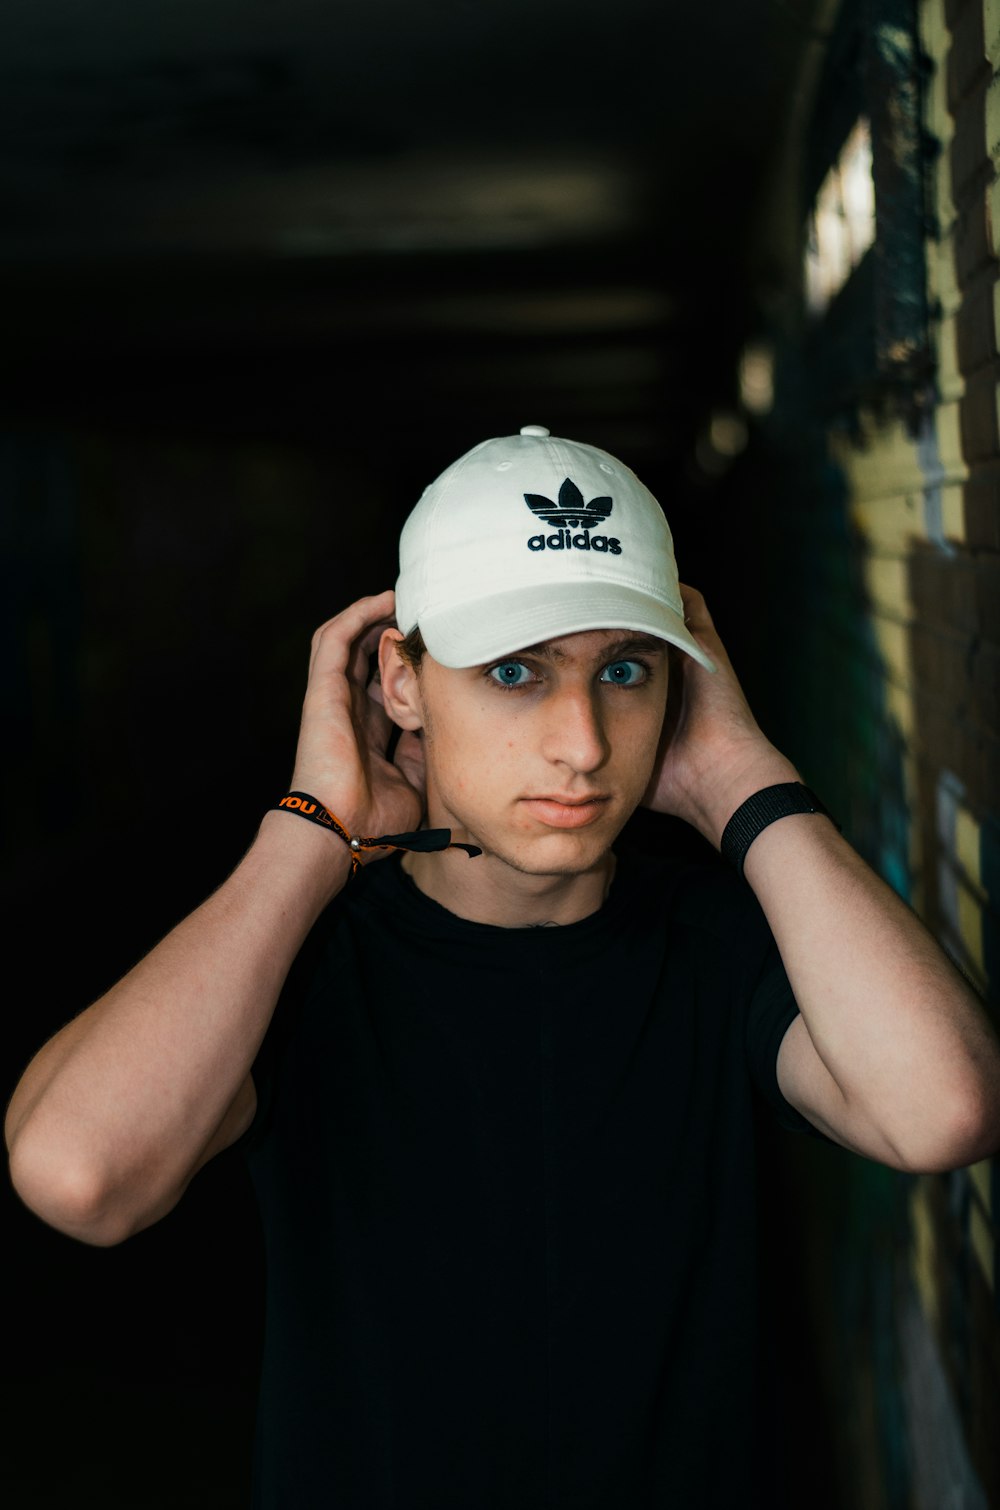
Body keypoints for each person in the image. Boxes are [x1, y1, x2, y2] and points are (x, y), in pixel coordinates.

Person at [6, 424, 1000, 1509]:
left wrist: (739, 782)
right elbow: (78, 1176)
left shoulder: (723, 945)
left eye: (626, 670)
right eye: (514, 671)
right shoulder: (297, 967)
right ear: (401, 679)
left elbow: (940, 1110)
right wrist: (311, 829)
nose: (580, 740)